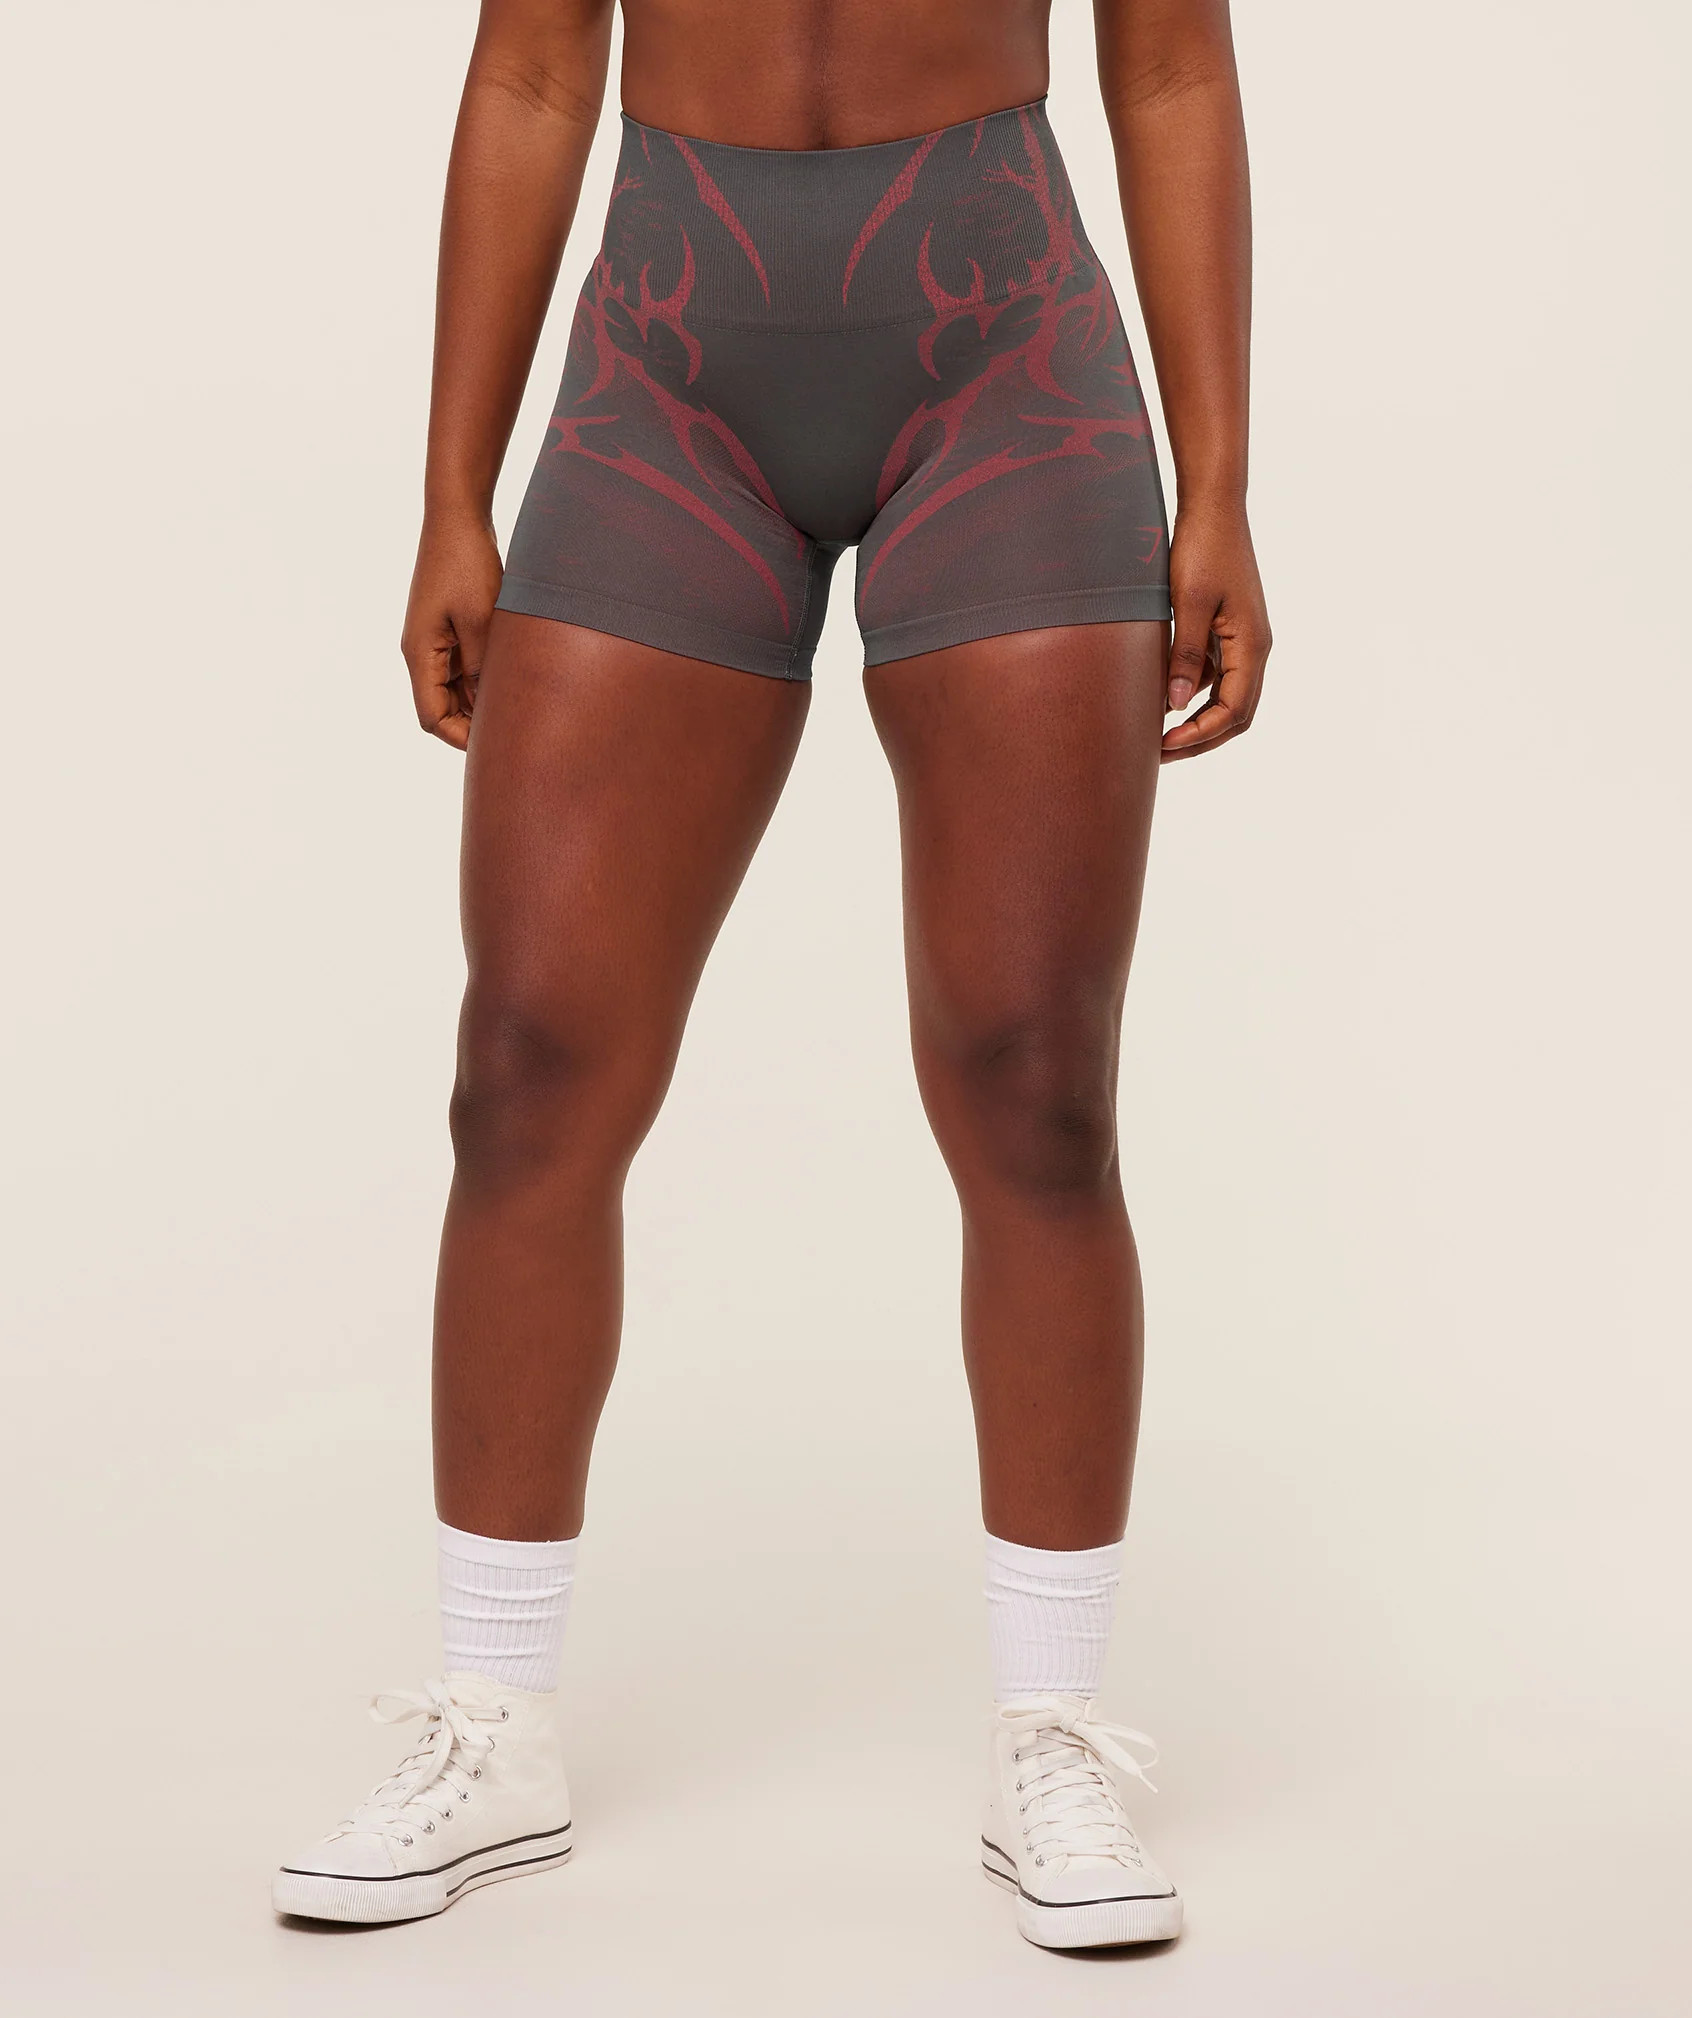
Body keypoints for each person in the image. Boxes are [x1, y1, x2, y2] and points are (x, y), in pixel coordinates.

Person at [273, 0, 1270, 1951]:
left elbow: (1168, 61)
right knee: (529, 1061)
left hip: (1007, 368)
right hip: (671, 367)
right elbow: (536, 65)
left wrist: (1220, 476)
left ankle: (1052, 1729)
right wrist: (454, 487)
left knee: (1034, 1077)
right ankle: (495, 1717)